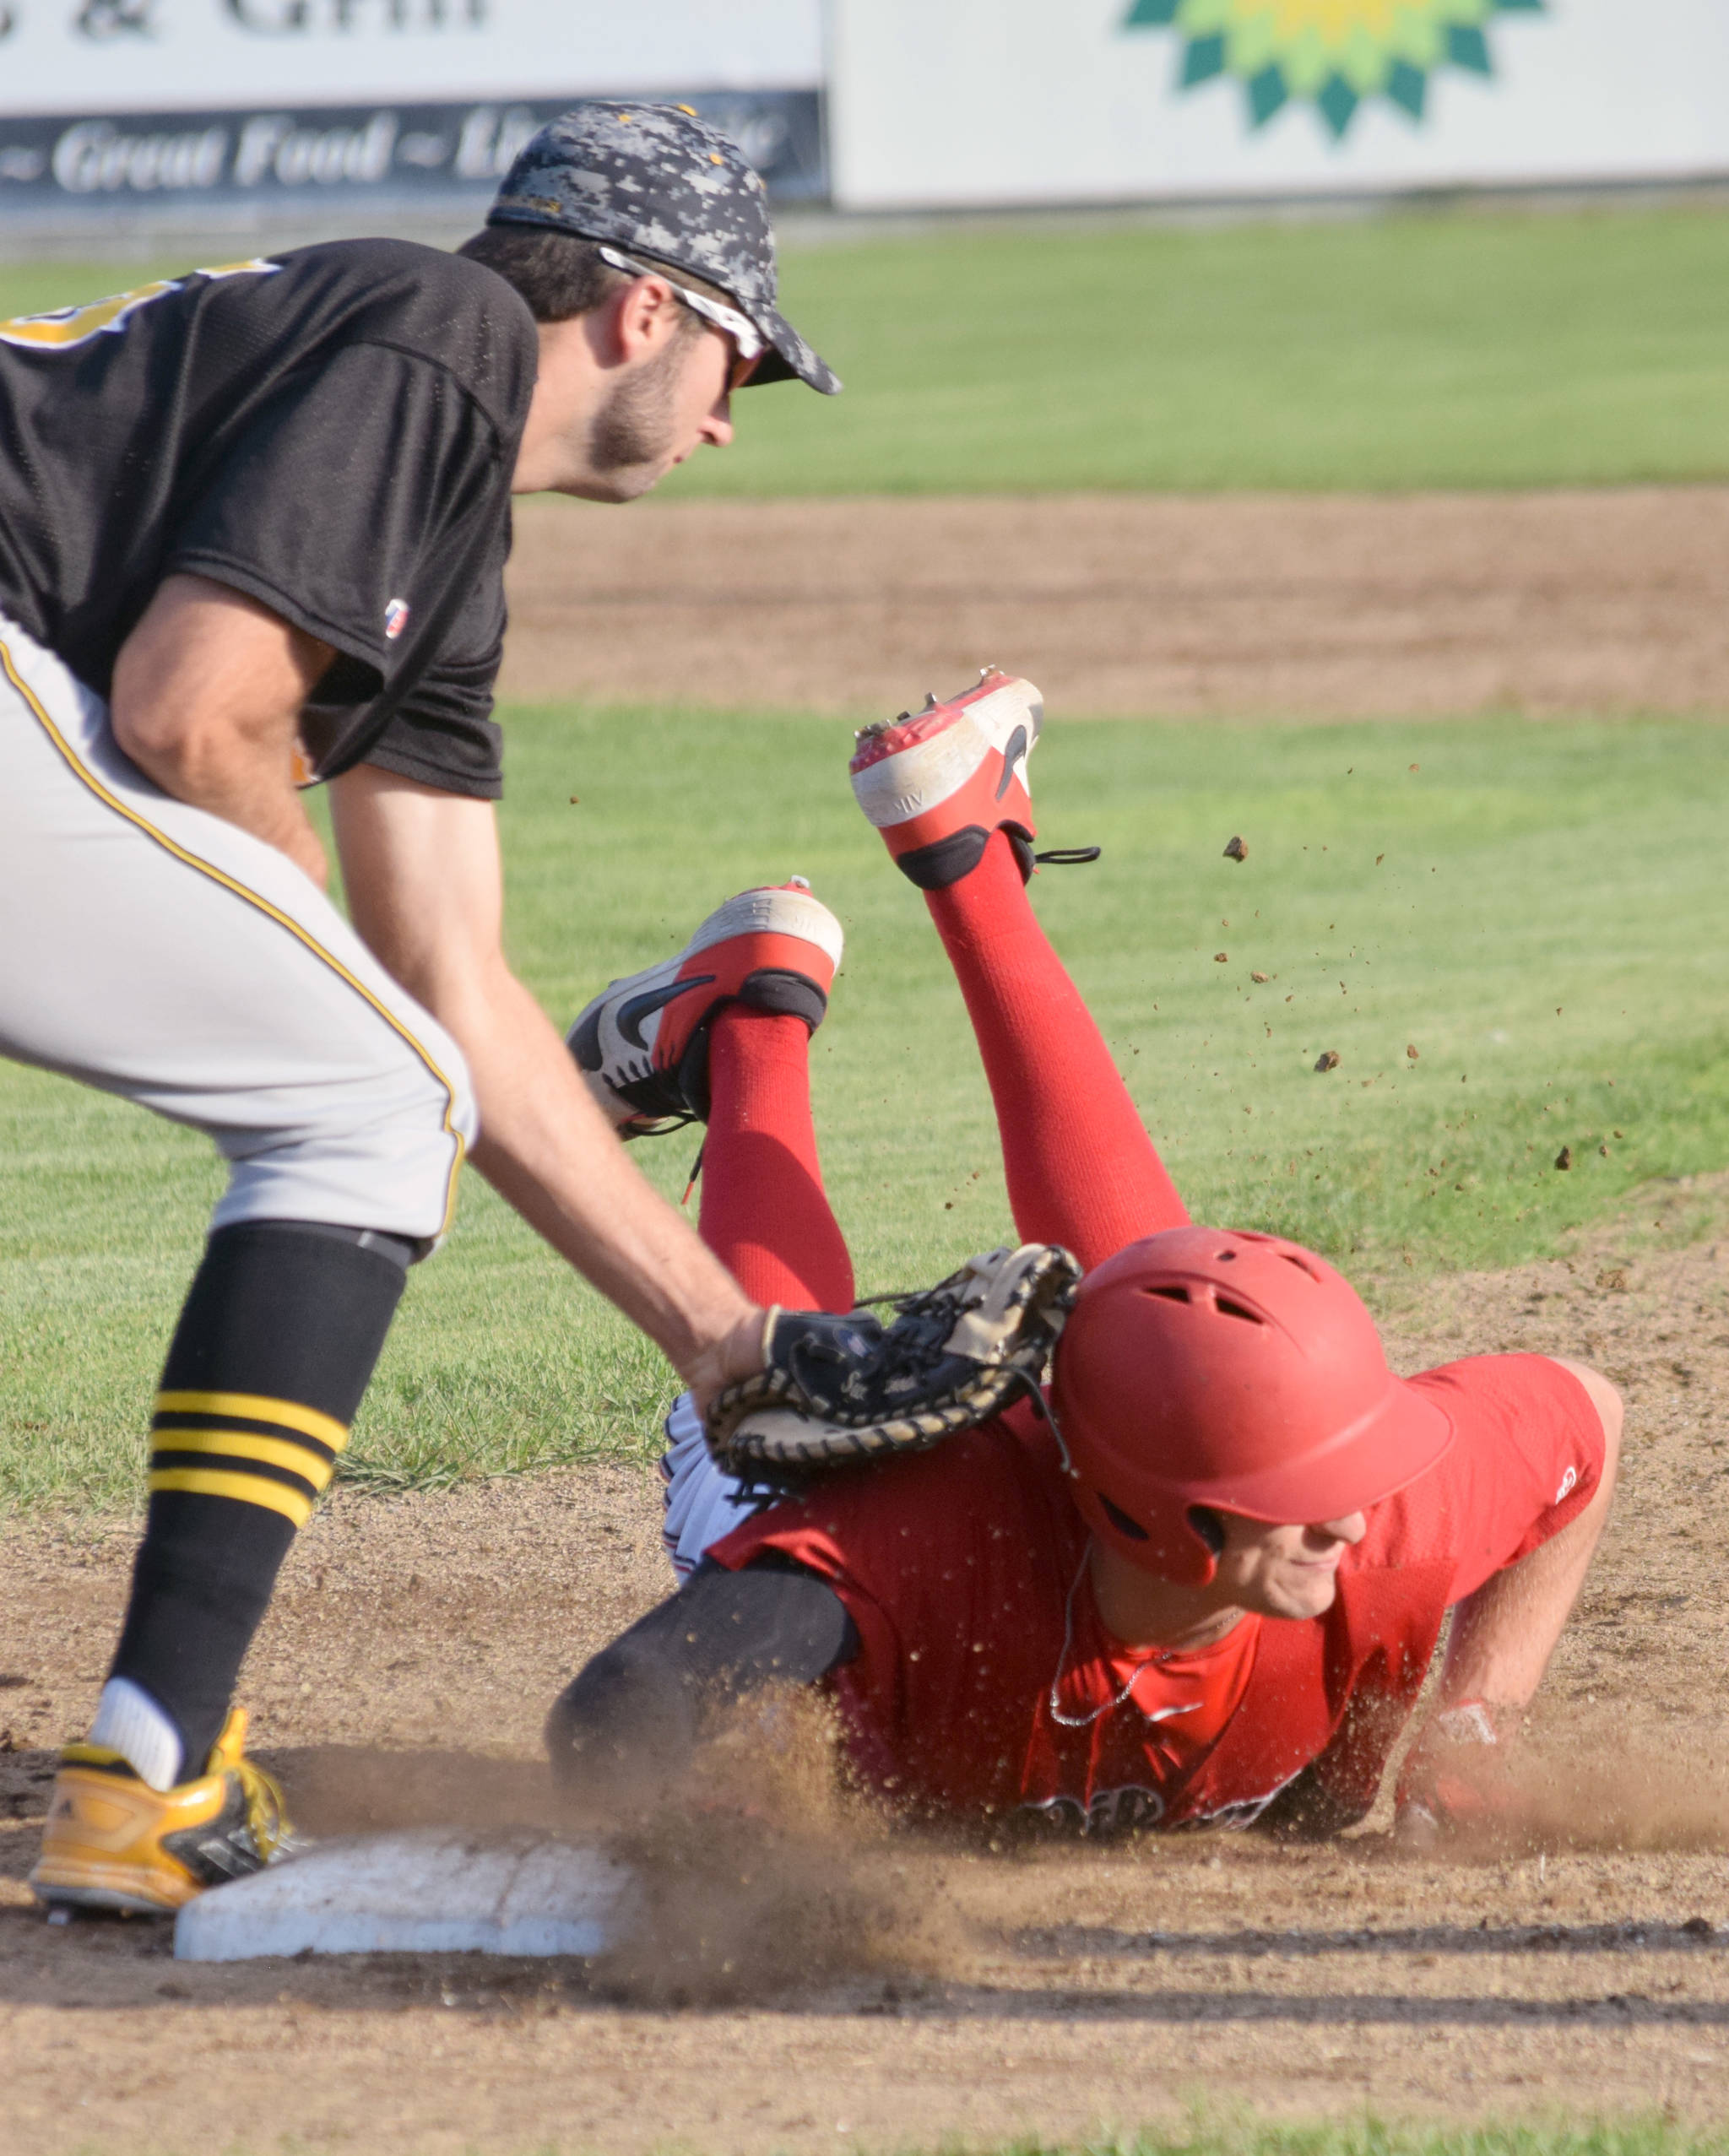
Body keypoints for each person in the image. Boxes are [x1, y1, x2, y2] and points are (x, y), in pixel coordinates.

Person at [18, 101, 840, 1915]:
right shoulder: (444, 330)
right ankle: (153, 1771)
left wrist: (734, 1348)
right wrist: (341, 1014)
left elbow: (451, 981)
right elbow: (193, 706)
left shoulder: (444, 570)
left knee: (375, 1071)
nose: (725, 414)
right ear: (640, 307)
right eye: (739, 359)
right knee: (362, 1091)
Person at [546, 672, 1622, 1841]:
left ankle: (959, 861)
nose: (1351, 1523)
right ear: (1183, 1523)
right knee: (778, 1447)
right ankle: (749, 1019)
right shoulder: (911, 1553)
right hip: (922, 1520)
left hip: (1093, 1493)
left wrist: (1470, 1731)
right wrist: (719, 1835)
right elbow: (615, 1713)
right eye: (1305, 1502)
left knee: (1182, 1334)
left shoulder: (1386, 1513)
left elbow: (1588, 1424)